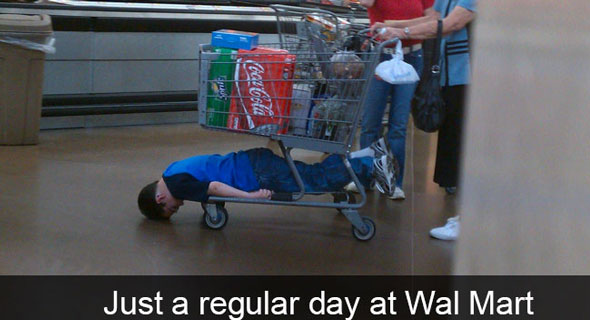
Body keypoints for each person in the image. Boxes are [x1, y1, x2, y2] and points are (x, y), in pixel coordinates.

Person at [375, 0, 476, 240]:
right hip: (453, 75)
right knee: (455, 145)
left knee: (465, 148)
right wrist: (392, 24)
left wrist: (402, 32)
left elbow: (451, 24)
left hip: (471, 76)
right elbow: (433, 18)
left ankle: (468, 222)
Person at [137, 142, 397, 220]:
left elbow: (214, 187)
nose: (179, 206)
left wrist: (250, 196)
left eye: (172, 208)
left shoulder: (177, 186)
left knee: (313, 180)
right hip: (251, 161)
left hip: (256, 174)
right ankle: (368, 152)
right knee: (308, 173)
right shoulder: (170, 171)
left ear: (160, 197)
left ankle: (369, 165)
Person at [351, 0, 434, 200]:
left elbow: (433, 19)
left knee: (398, 124)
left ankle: (392, 182)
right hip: (380, 54)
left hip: (411, 56)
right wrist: (409, 26)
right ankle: (364, 177)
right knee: (371, 122)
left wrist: (394, 25)